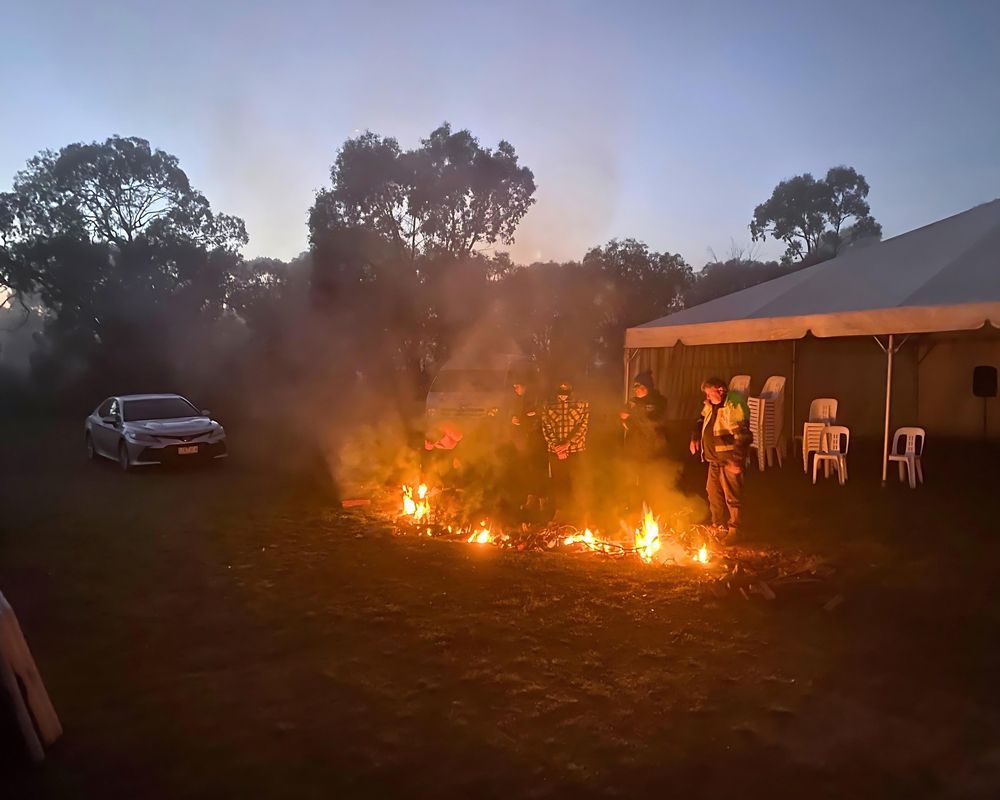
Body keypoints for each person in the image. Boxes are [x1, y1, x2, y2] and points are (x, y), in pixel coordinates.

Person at [689, 377, 752, 541]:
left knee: (732, 495)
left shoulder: (734, 405)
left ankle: (735, 530)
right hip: (714, 459)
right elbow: (701, 419)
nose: (707, 398)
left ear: (721, 390)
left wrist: (737, 459)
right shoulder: (711, 405)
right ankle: (718, 526)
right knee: (713, 493)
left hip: (729, 459)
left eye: (710, 394)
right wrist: (695, 436)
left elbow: (743, 435)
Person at [540, 381, 589, 515]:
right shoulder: (547, 404)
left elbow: (583, 427)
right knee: (559, 483)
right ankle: (560, 512)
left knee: (576, 482)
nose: (562, 397)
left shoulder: (582, 403)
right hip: (555, 452)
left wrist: (568, 444)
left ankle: (578, 514)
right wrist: (556, 446)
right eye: (560, 394)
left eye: (565, 394)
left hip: (575, 451)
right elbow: (546, 427)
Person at [620, 370, 668, 506]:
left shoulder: (659, 401)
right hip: (634, 447)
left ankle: (652, 506)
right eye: (634, 386)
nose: (635, 389)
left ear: (646, 386)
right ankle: (635, 507)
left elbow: (656, 422)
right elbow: (625, 420)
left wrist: (636, 416)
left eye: (638, 386)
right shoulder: (632, 402)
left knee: (650, 478)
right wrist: (626, 420)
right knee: (633, 478)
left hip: (653, 448)